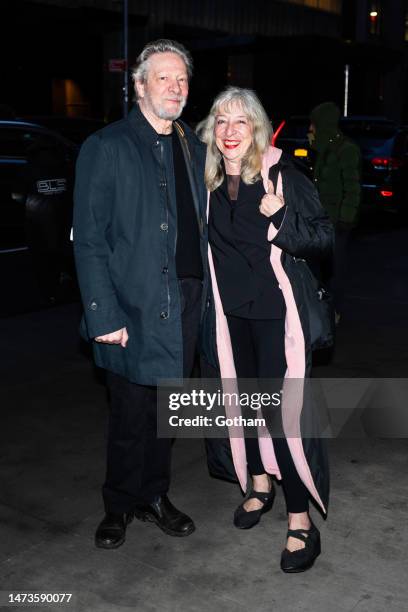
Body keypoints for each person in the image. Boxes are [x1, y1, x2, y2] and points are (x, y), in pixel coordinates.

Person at [73, 39, 208, 549]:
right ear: (139, 86)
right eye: (164, 78)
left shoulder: (192, 146)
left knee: (169, 410)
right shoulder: (106, 147)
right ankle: (119, 504)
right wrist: (102, 312)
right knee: (129, 413)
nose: (175, 88)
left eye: (182, 80)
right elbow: (87, 238)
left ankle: (155, 495)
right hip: (131, 305)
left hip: (187, 300)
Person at [198, 87, 333, 573]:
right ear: (212, 130)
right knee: (243, 404)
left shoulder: (283, 176)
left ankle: (301, 520)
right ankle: (258, 482)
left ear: (257, 127)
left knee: (280, 419)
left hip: (277, 318)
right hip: (229, 316)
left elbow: (322, 238)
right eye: (221, 122)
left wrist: (282, 218)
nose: (231, 132)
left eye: (241, 122)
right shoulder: (207, 181)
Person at [308, 101, 361, 323]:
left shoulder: (346, 149)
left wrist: (345, 219)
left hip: (336, 222)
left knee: (335, 269)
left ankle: (333, 311)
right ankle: (321, 309)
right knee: (318, 268)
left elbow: (352, 187)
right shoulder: (323, 149)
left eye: (314, 125)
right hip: (320, 221)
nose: (310, 129)